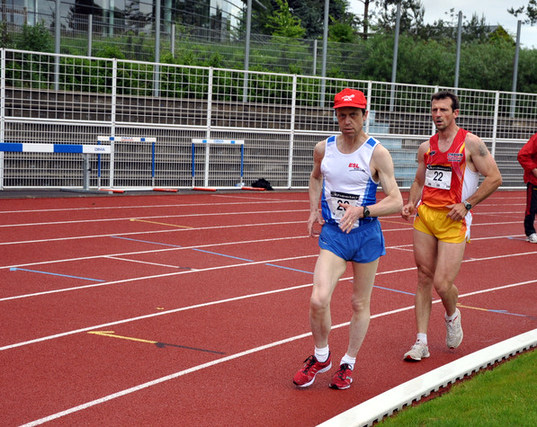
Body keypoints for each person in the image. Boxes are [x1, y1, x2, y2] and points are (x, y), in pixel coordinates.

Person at [292, 88, 403, 390]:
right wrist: (314, 208)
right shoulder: (324, 148)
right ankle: (321, 355)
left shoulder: (376, 152)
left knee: (358, 303)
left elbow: (395, 201)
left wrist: (363, 210)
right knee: (318, 299)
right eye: (342, 115)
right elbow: (316, 176)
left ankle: (348, 363)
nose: (347, 121)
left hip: (366, 236)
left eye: (353, 115)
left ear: (365, 115)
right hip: (334, 234)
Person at [401, 90, 502, 361]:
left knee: (442, 283)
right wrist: (410, 203)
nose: (438, 115)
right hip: (425, 217)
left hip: (453, 220)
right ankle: (421, 342)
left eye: (444, 110)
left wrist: (467, 204)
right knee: (423, 276)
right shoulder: (427, 147)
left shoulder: (470, 143)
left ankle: (452, 314)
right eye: (434, 110)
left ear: (455, 113)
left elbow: (494, 178)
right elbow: (419, 181)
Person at [517, 132, 537, 243]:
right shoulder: (536, 139)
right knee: (532, 208)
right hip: (535, 182)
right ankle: (530, 232)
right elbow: (522, 155)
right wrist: (534, 170)